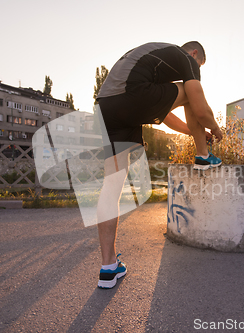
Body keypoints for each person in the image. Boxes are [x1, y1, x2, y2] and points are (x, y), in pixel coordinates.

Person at [95, 41, 223, 288]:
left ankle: (108, 268)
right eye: (199, 66)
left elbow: (163, 114)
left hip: (106, 107)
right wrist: (215, 128)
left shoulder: (155, 65)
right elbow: (197, 105)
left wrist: (190, 131)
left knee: (111, 188)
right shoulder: (183, 57)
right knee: (190, 91)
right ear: (194, 54)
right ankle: (204, 156)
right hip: (131, 97)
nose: (197, 70)